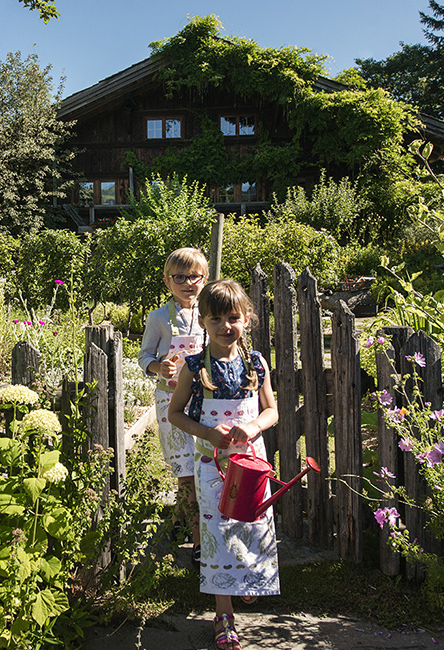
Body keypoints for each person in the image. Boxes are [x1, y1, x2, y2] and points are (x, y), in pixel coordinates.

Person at [168, 278, 279, 650]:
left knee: (253, 522)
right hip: (211, 465)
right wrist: (209, 433)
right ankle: (224, 612)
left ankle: (247, 580)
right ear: (202, 322)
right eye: (215, 319)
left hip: (251, 463)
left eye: (233, 317)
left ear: (247, 319)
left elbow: (272, 412)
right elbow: (175, 414)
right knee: (217, 532)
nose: (225, 326)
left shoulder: (256, 363)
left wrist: (251, 427)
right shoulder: (195, 366)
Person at [138, 247, 207, 563]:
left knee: (203, 467)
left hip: (206, 400)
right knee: (187, 471)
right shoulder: (159, 318)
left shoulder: (210, 313)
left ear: (204, 279)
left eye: (195, 276)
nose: (188, 282)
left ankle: (178, 523)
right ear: (168, 281)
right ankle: (198, 544)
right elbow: (144, 356)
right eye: (180, 277)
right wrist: (158, 367)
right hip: (171, 402)